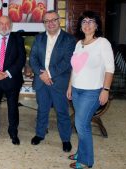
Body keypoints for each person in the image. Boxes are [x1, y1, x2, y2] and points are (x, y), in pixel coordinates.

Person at [66, 11, 114, 169]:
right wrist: (70, 87)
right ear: (80, 25)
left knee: (81, 124)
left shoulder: (102, 43)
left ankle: (86, 161)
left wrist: (105, 89)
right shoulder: (78, 43)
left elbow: (109, 69)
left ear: (97, 25)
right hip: (77, 90)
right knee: (82, 124)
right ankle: (81, 152)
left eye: (91, 21)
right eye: (84, 21)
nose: (87, 24)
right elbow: (75, 68)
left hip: (92, 92)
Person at [29, 10, 76, 152]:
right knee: (42, 110)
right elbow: (33, 58)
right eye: (46, 21)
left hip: (59, 82)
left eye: (53, 20)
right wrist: (41, 74)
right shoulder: (38, 38)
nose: (50, 23)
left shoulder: (69, 39)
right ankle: (40, 134)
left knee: (62, 112)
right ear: (44, 23)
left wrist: (48, 74)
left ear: (59, 20)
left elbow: (67, 61)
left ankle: (66, 139)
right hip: (41, 81)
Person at [0, 16, 26, 145]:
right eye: (1, 23)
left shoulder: (18, 40)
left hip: (12, 79)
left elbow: (21, 59)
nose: (4, 26)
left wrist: (7, 73)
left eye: (7, 23)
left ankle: (13, 132)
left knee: (13, 107)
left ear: (11, 26)